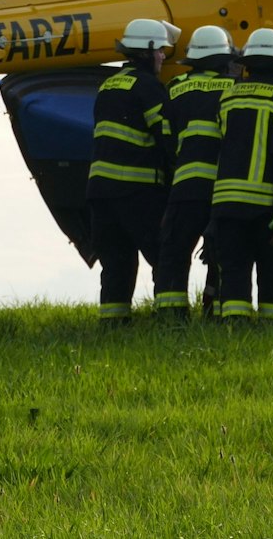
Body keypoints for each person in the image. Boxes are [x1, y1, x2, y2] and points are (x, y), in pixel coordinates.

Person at [208, 29, 273, 322]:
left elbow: (222, 138)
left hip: (225, 200)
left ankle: (234, 323)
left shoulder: (229, 95)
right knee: (272, 264)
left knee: (234, 265)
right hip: (265, 201)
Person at [87, 18, 178, 325]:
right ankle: (171, 319)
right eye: (161, 51)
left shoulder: (109, 84)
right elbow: (166, 137)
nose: (164, 57)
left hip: (101, 191)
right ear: (147, 51)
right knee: (164, 254)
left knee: (116, 261)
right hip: (136, 189)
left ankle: (114, 322)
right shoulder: (149, 87)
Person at [151, 25, 239, 323]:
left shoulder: (175, 88)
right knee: (223, 254)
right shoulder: (234, 88)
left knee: (175, 252)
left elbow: (164, 138)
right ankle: (218, 313)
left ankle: (171, 317)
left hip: (185, 187)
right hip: (223, 187)